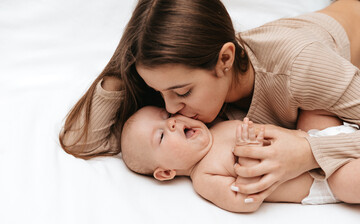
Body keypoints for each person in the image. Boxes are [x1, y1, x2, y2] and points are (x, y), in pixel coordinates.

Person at [59, 0, 360, 203]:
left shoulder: (300, 68)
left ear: (225, 59)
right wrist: (120, 72)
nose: (173, 109)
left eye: (183, 92)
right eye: (160, 93)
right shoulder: (176, 91)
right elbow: (84, 142)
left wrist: (309, 150)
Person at [120, 105, 360, 212]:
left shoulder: (217, 124)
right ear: (166, 172)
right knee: (351, 183)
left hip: (315, 138)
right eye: (161, 135)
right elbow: (246, 200)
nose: (171, 122)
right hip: (321, 178)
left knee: (312, 104)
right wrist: (248, 155)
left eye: (166, 115)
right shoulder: (204, 177)